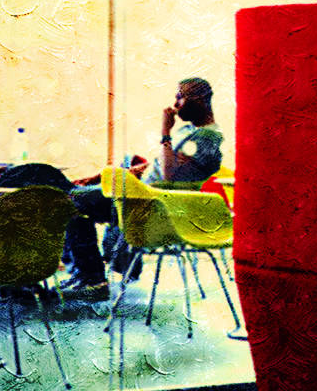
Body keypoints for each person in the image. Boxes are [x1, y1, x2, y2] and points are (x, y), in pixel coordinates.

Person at [61, 77, 224, 300]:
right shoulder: (189, 131)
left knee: (69, 201)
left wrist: (165, 132)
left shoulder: (206, 138)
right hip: (143, 198)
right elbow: (158, 164)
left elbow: (169, 174)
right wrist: (100, 177)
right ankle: (88, 275)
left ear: (199, 99)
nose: (175, 104)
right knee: (72, 200)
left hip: (149, 206)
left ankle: (91, 278)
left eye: (180, 97)